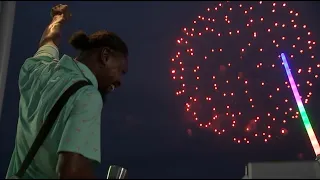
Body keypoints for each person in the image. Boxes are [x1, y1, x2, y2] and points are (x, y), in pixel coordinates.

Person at [6, 4, 128, 179]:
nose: (120, 81)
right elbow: (70, 171)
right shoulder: (87, 97)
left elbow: (49, 40)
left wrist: (57, 19)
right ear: (105, 55)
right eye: (121, 71)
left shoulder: (37, 69)